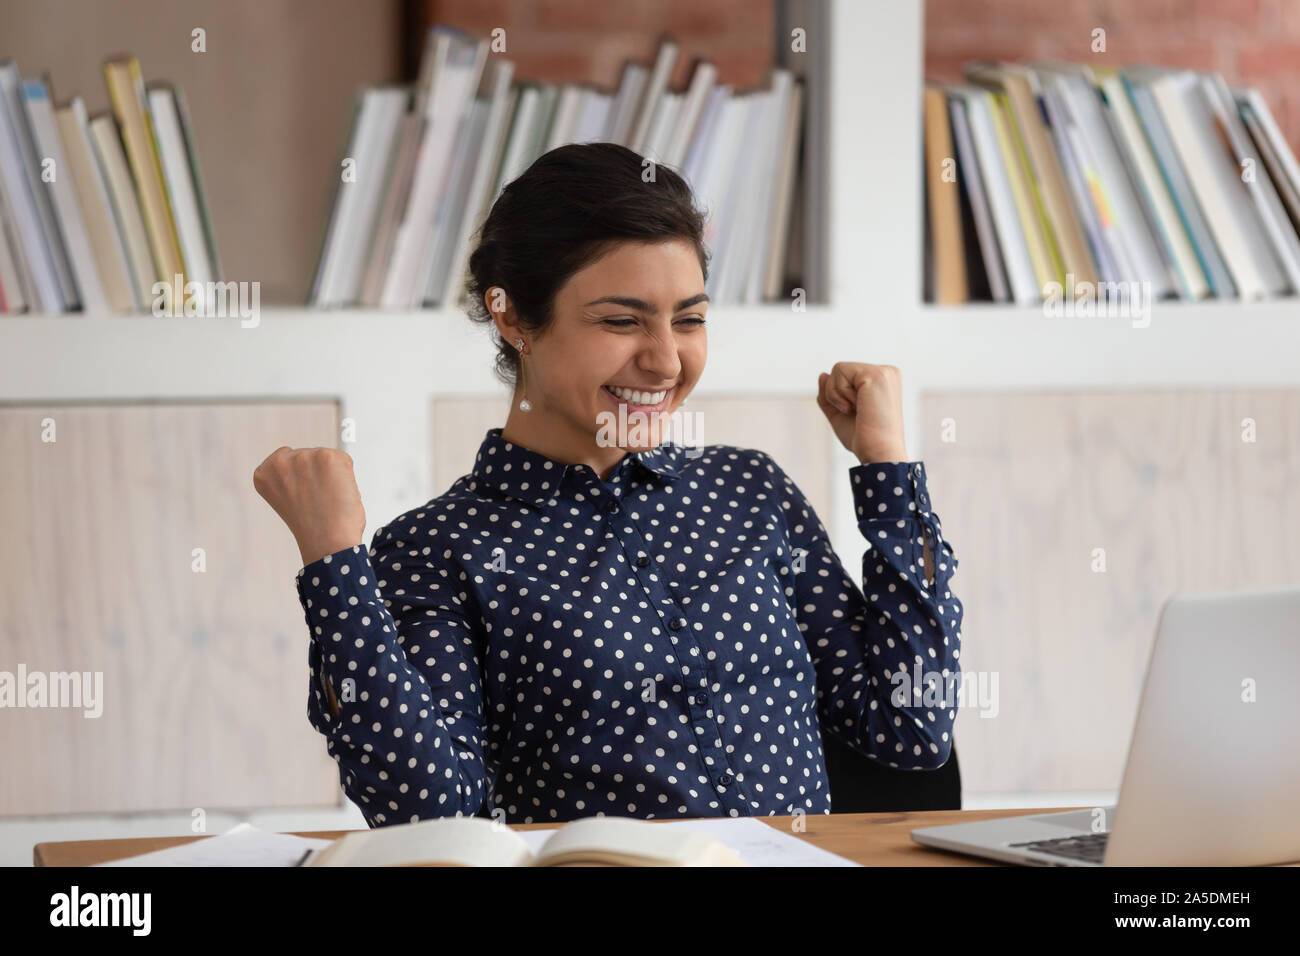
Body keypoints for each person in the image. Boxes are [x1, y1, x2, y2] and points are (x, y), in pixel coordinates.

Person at [253, 142, 963, 827]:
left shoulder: (752, 492)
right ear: (512, 317)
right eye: (622, 321)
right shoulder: (438, 548)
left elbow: (908, 727)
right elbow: (429, 812)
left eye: (689, 320)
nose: (663, 362)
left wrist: (887, 468)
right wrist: (334, 564)